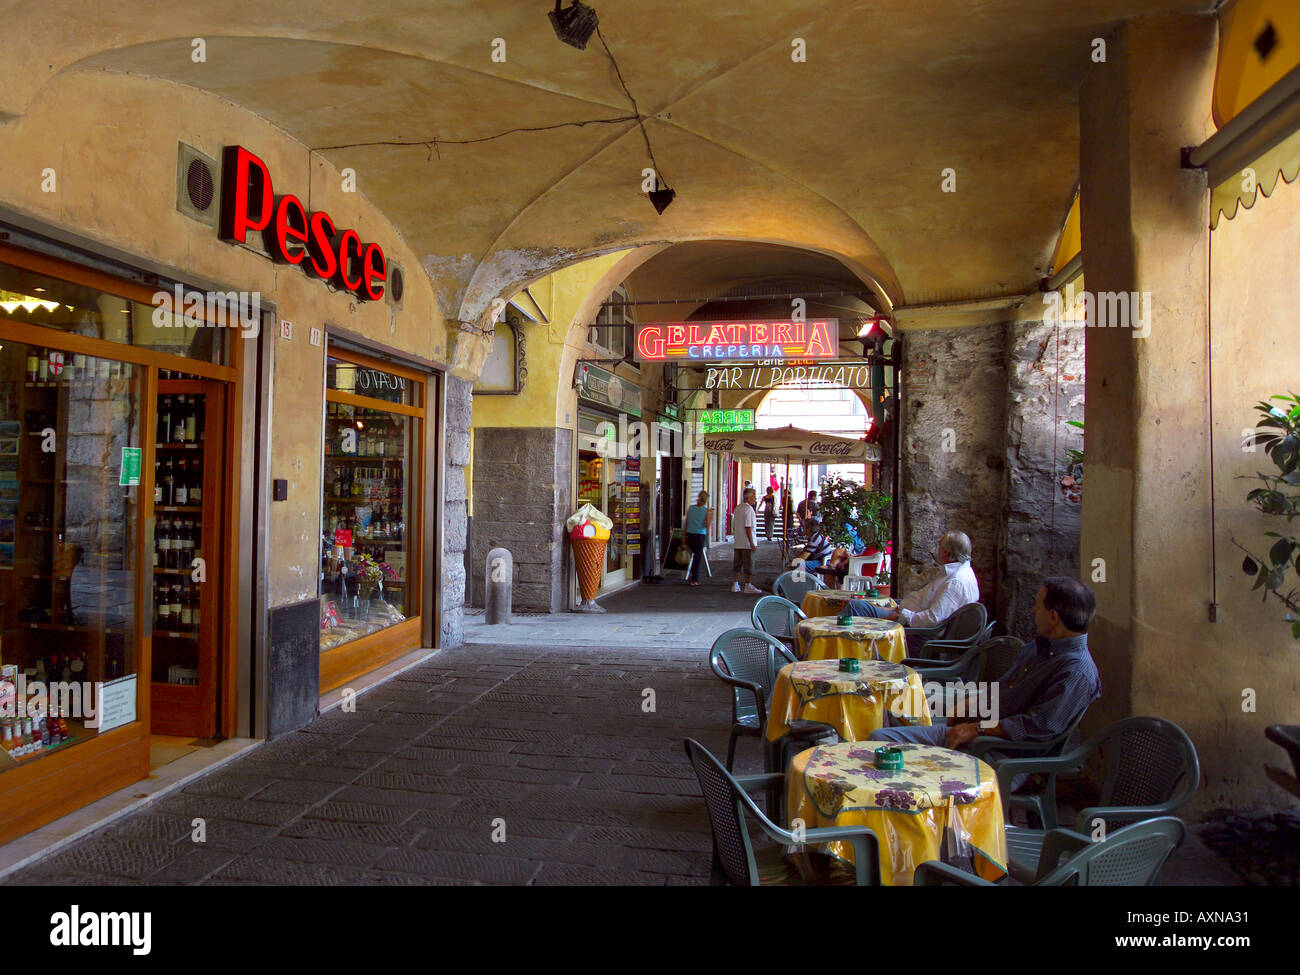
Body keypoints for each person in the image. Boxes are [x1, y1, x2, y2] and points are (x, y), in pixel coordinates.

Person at [869, 577, 1101, 756]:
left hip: (997, 752)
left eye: (1037, 606)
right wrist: (968, 707)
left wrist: (976, 729)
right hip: (978, 731)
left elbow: (1038, 727)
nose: (1032, 611)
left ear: (1053, 617)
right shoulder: (1039, 648)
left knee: (881, 742)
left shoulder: (1076, 672)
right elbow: (1003, 689)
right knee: (887, 717)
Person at [848, 530, 978, 622]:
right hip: (902, 614)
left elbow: (933, 618)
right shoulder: (954, 573)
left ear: (946, 552)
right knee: (859, 605)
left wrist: (900, 617)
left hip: (912, 629)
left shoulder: (955, 581)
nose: (937, 549)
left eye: (939, 546)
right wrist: (894, 609)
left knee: (855, 607)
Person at [730, 487, 762, 594]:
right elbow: (748, 527)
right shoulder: (749, 509)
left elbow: (735, 525)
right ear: (748, 497)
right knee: (749, 565)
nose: (755, 499)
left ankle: (735, 584)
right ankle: (748, 585)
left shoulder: (737, 508)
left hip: (738, 542)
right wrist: (752, 543)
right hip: (747, 543)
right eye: (753, 496)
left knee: (737, 564)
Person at [682, 491, 713, 587]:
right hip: (699, 536)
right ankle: (694, 579)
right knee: (697, 558)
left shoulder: (691, 508)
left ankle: (691, 574)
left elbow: (686, 523)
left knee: (691, 556)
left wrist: (684, 536)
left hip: (689, 534)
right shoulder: (706, 510)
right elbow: (707, 525)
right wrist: (711, 516)